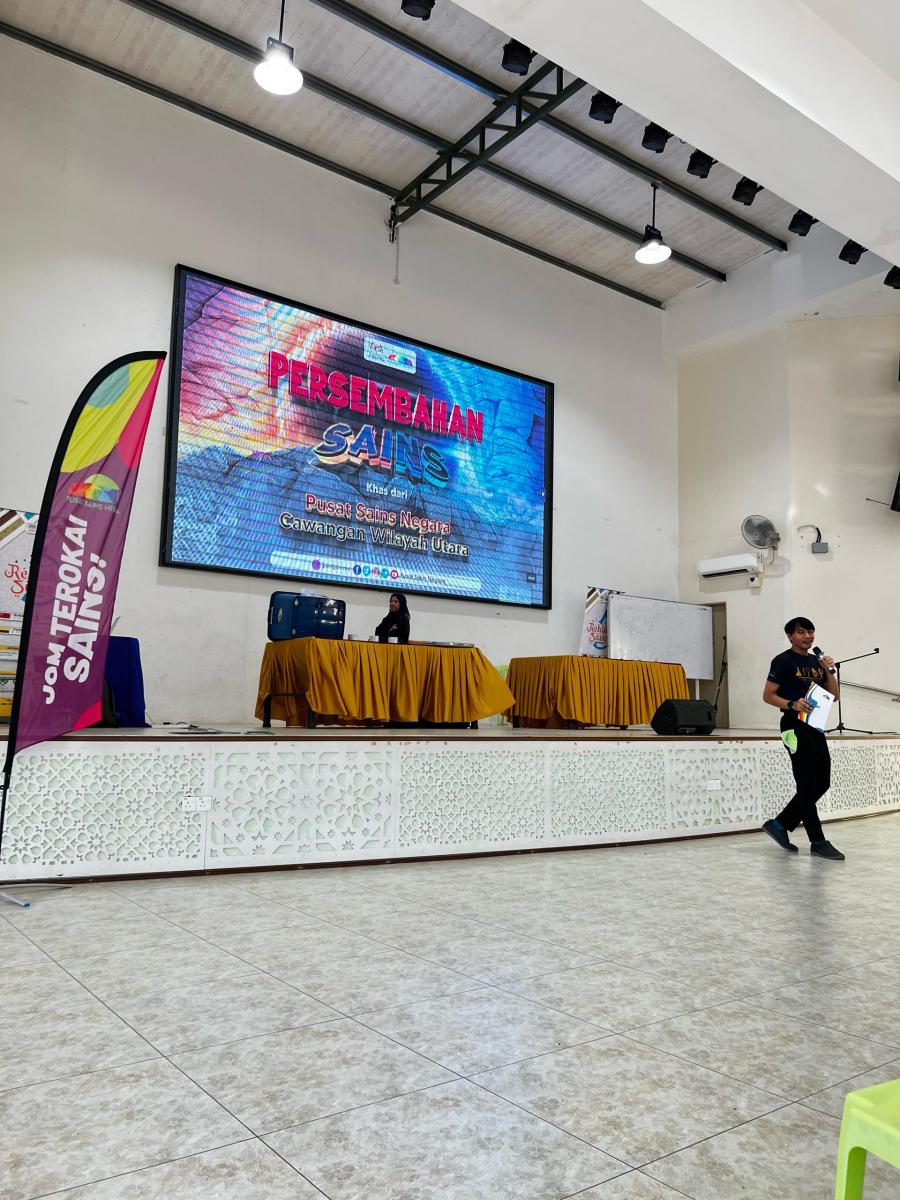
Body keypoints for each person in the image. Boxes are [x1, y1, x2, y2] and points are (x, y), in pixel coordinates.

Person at [762, 616, 844, 860]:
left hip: (815, 727)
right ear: (790, 636)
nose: (808, 636)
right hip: (792, 726)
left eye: (810, 631)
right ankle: (817, 841)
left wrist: (829, 670)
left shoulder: (817, 662)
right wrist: (791, 703)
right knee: (807, 785)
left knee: (822, 782)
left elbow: (834, 696)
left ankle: (779, 824)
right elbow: (768, 695)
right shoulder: (783, 661)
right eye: (801, 632)